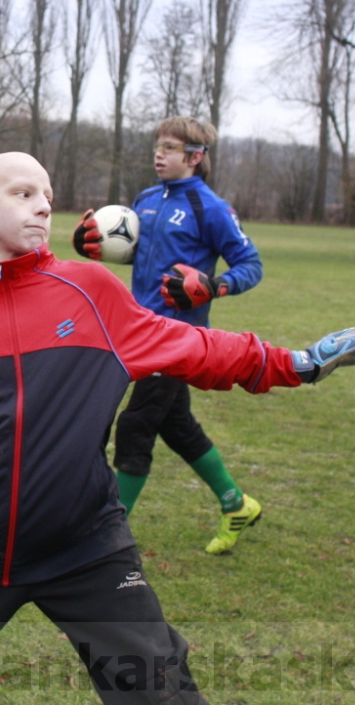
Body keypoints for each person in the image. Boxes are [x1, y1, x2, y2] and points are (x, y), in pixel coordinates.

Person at [0, 151, 355, 704]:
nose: (41, 207)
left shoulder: (92, 292)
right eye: (23, 193)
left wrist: (296, 364)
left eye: (47, 197)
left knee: (161, 690)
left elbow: (197, 347)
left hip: (83, 547)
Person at [73, 117, 265, 554]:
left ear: (195, 157)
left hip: (179, 339)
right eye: (157, 146)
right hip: (138, 332)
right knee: (176, 425)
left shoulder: (211, 208)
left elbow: (251, 265)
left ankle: (104, 536)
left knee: (137, 425)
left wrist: (216, 284)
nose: (160, 154)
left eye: (171, 148)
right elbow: (141, 259)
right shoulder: (145, 200)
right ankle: (236, 504)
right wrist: (94, 246)